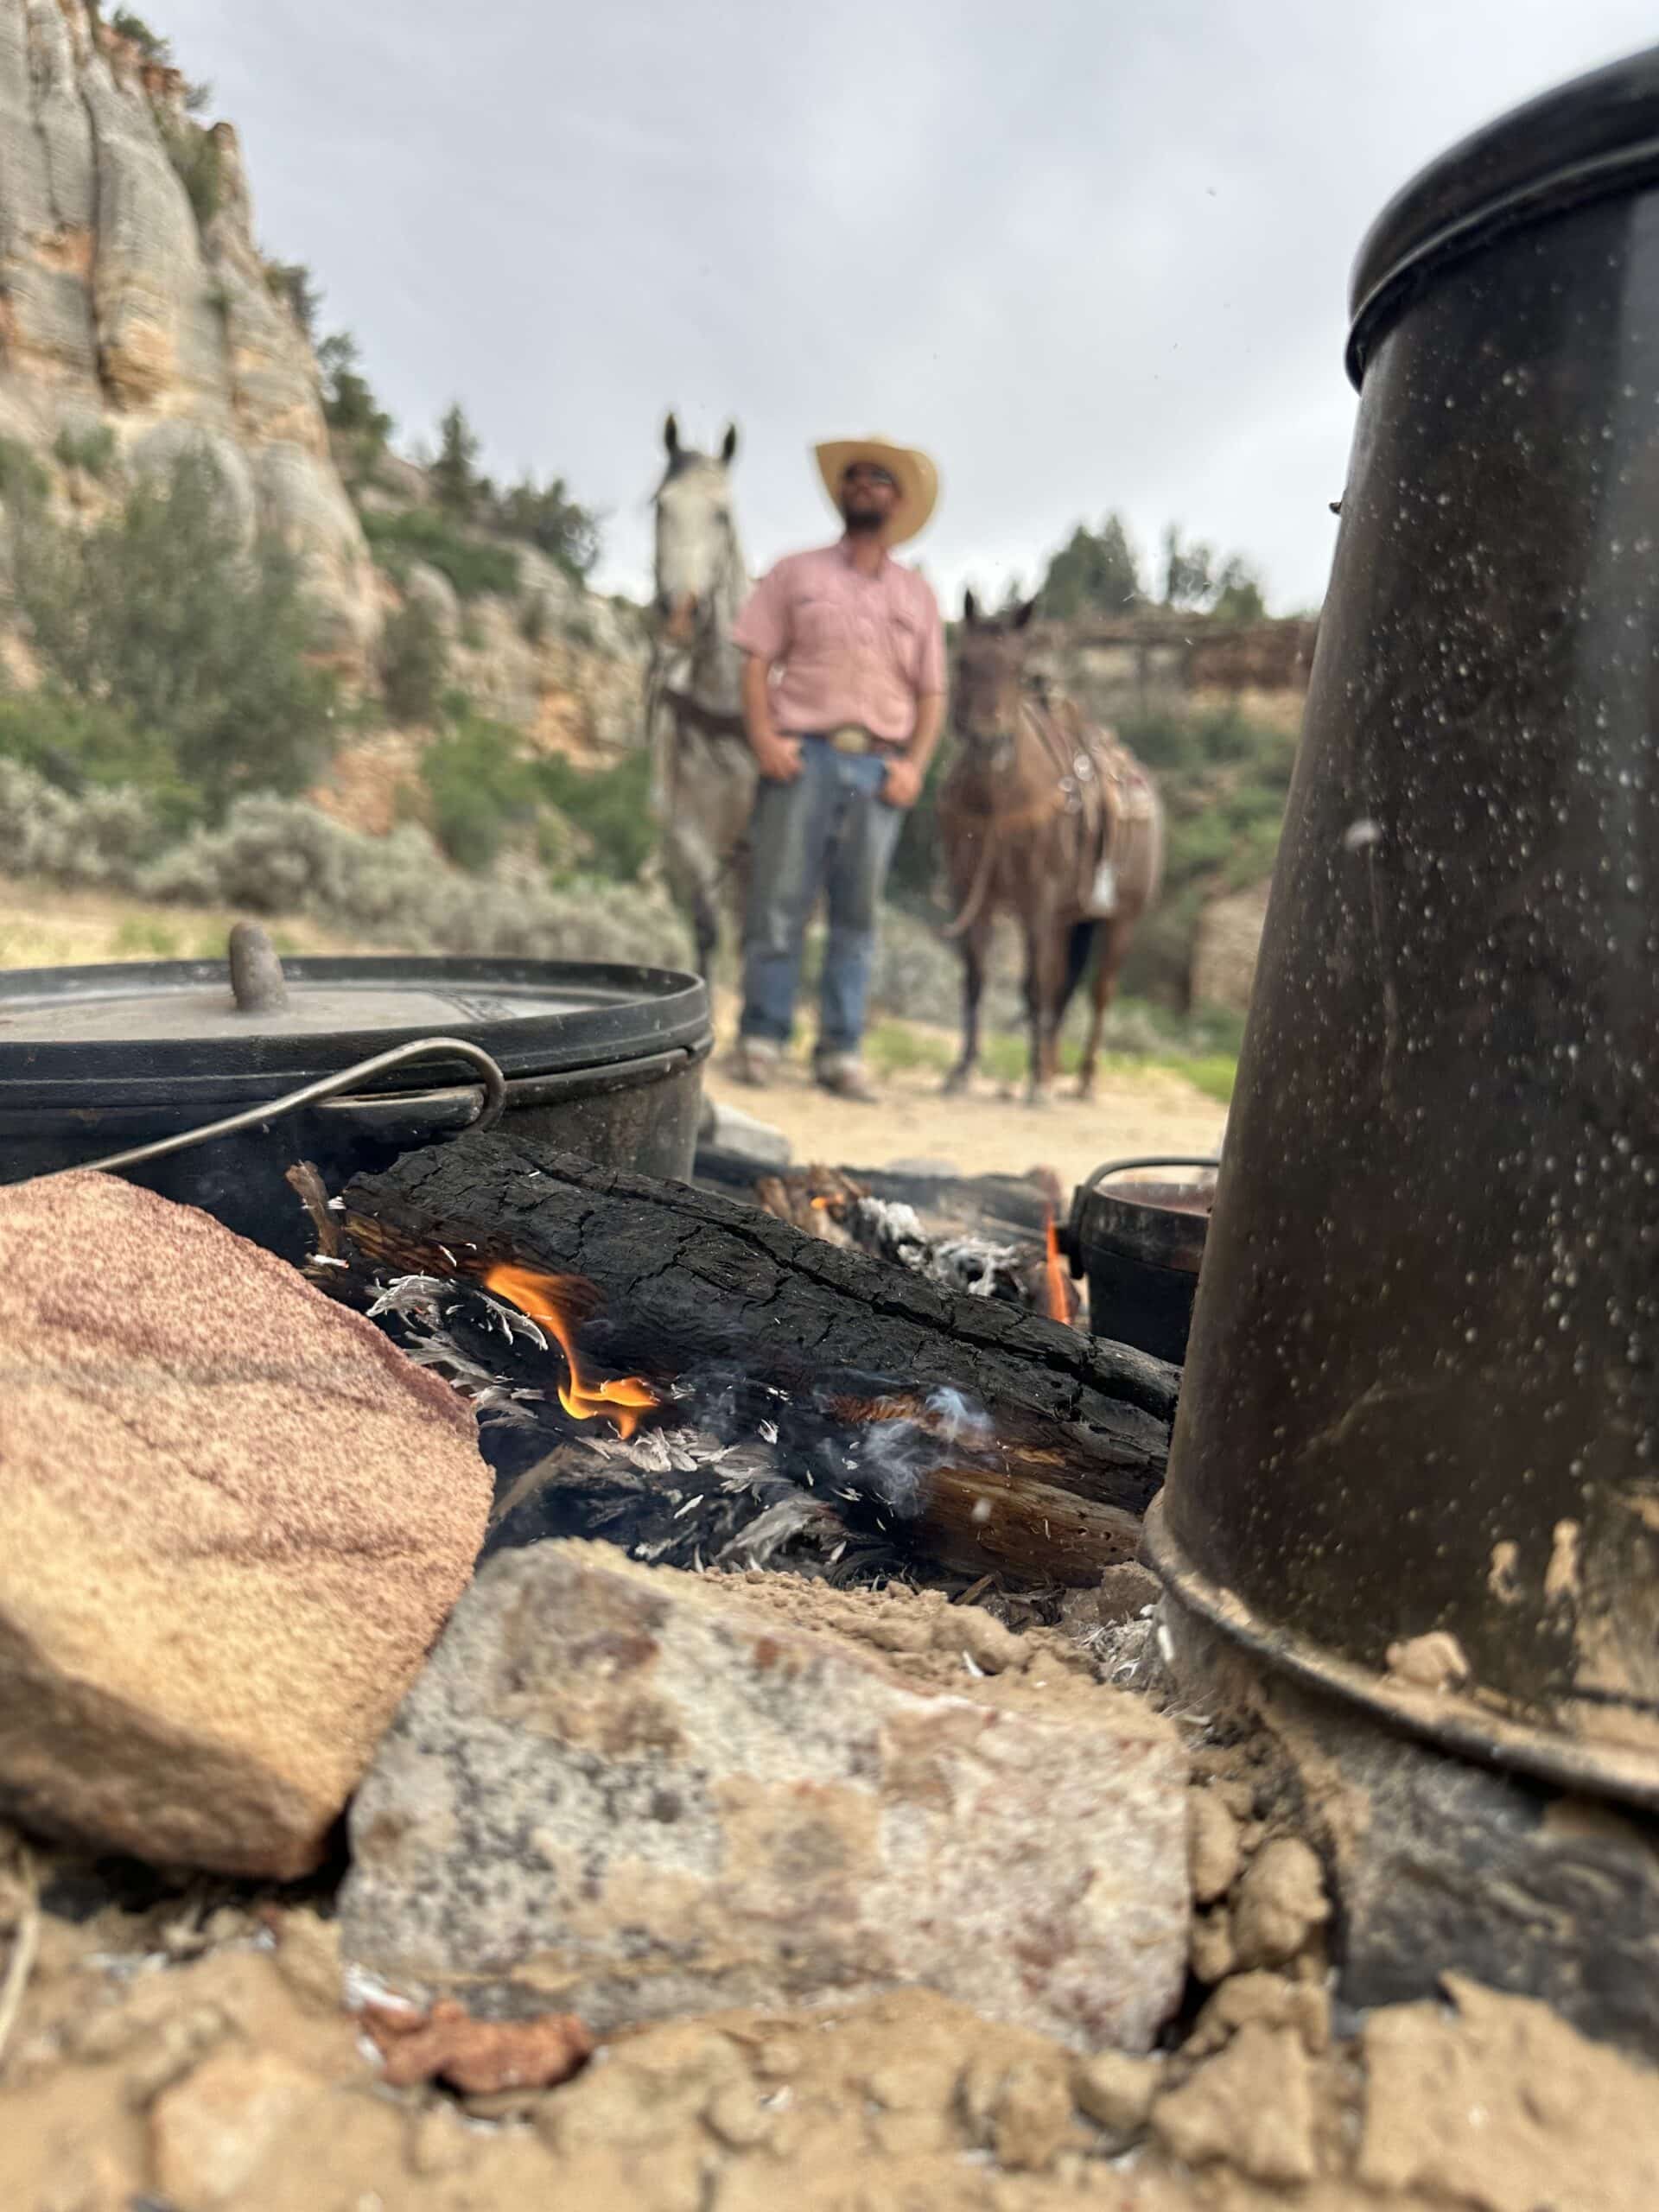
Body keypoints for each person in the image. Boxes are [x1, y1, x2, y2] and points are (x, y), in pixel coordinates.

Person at [728, 436, 946, 1102]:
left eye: (880, 479)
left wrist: (915, 767)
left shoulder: (918, 595)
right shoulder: (794, 573)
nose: (865, 485)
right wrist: (764, 735)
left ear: (898, 501)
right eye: (855, 477)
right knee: (779, 903)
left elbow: (932, 693)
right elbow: (756, 660)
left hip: (878, 770)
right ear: (842, 493)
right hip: (804, 758)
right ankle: (762, 1038)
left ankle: (840, 1052)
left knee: (857, 917)